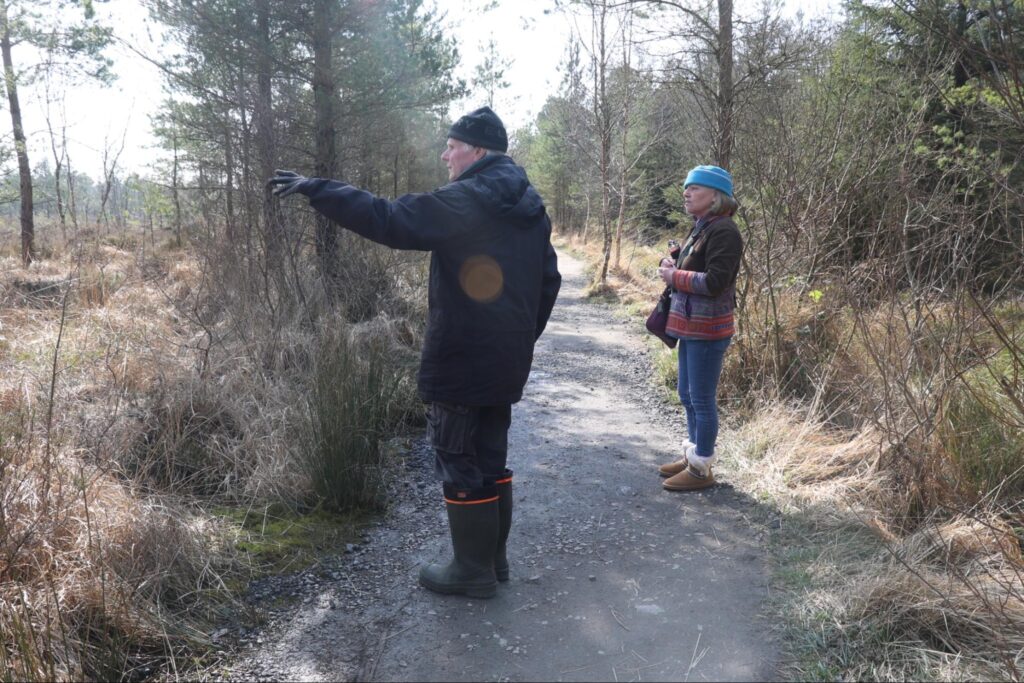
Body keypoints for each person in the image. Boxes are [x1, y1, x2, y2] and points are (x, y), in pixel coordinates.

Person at [269, 106, 561, 599]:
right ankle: (492, 561)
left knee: (455, 452)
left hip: (463, 357)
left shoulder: (468, 198)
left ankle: (471, 570)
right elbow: (549, 280)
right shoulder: (530, 206)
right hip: (504, 359)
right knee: (489, 453)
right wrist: (520, 338)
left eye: (452, 145)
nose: (445, 154)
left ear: (479, 152)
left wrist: (319, 189)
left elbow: (392, 219)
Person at [655, 165, 743, 492]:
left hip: (708, 329)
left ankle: (702, 467)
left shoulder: (725, 231)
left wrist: (674, 277)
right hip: (691, 326)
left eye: (695, 188)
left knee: (702, 400)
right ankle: (693, 454)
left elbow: (717, 282)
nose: (686, 193)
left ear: (715, 196)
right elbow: (696, 269)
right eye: (686, 187)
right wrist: (673, 264)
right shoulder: (702, 226)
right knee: (686, 395)